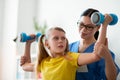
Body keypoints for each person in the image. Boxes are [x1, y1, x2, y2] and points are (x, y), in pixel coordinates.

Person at [69, 8, 119, 80]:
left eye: (89, 27)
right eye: (81, 24)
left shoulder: (105, 52)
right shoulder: (69, 47)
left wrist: (107, 56)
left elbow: (112, 78)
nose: (83, 30)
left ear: (98, 27)